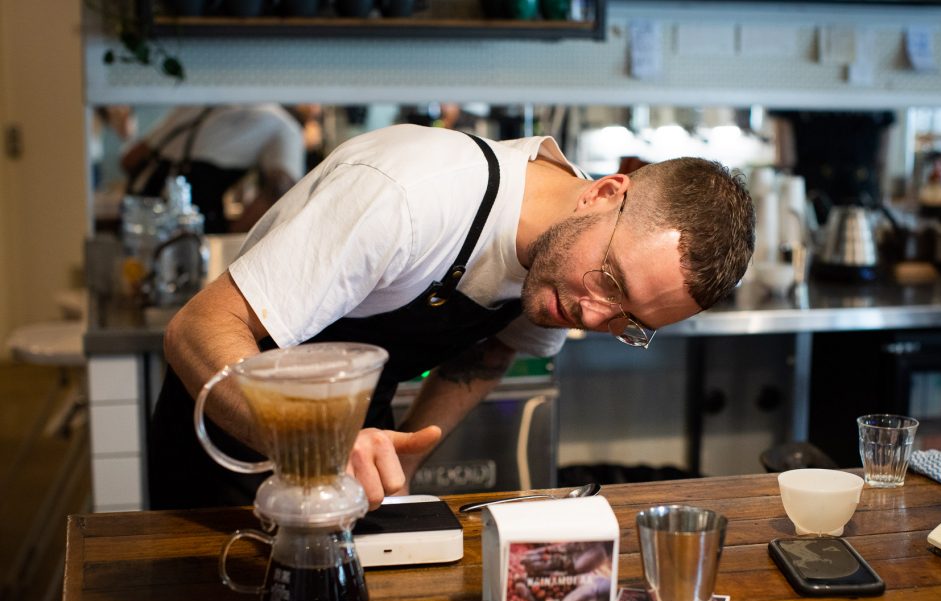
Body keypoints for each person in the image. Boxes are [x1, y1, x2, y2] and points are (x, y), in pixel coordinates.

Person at [148, 123, 755, 510]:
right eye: (611, 280)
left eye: (628, 321)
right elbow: (198, 327)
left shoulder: (564, 270)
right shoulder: (410, 197)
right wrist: (313, 446)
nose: (591, 316)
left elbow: (489, 352)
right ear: (601, 193)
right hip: (222, 449)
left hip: (353, 450)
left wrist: (404, 460)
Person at [120, 104, 305, 234]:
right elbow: (280, 190)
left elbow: (129, 160)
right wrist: (233, 237)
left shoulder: (201, 102)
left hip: (139, 224)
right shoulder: (283, 126)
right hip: (195, 231)